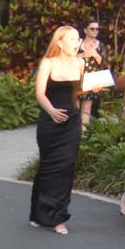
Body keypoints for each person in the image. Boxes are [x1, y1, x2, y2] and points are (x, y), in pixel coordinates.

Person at [30, 26, 86, 235]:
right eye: (71, 39)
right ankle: (37, 212)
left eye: (77, 39)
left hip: (71, 122)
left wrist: (92, 88)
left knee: (65, 167)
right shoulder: (48, 62)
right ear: (60, 42)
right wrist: (51, 111)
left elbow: (78, 92)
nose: (76, 42)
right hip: (50, 122)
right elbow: (40, 93)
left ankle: (59, 217)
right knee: (48, 168)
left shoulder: (80, 63)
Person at [79, 21, 108, 130]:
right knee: (75, 105)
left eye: (97, 29)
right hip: (78, 77)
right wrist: (83, 55)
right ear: (85, 30)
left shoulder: (100, 45)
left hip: (92, 79)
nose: (95, 31)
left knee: (86, 107)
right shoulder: (78, 43)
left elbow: (104, 63)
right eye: (92, 28)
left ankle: (83, 134)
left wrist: (95, 54)